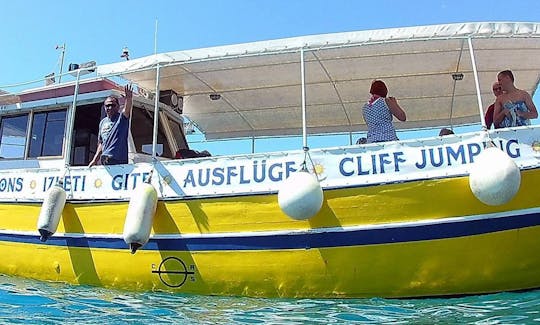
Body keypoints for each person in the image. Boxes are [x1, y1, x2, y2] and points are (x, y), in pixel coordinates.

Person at [89, 84, 133, 166]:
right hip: (105, 160)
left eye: (112, 105)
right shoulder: (102, 122)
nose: (110, 108)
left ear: (118, 106)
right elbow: (101, 143)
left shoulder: (121, 119)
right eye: (107, 106)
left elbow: (126, 110)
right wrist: (95, 160)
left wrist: (129, 99)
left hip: (119, 160)